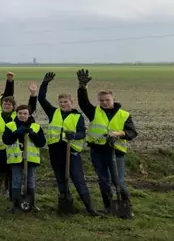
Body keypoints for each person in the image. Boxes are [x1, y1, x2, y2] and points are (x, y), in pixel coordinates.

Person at [76, 69, 138, 215]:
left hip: (116, 152)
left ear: (113, 99)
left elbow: (132, 132)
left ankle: (126, 206)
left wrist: (118, 133)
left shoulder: (124, 115)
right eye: (102, 100)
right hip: (98, 151)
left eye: (107, 100)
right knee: (103, 180)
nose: (104, 103)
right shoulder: (94, 112)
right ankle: (108, 206)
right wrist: (82, 87)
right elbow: (83, 102)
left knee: (118, 181)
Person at [39, 72, 101, 216]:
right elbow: (41, 99)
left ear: (71, 102)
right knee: (61, 179)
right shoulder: (53, 112)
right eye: (60, 102)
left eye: (65, 102)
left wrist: (73, 136)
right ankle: (65, 205)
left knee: (78, 179)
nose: (63, 104)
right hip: (55, 150)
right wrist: (45, 84)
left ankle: (90, 208)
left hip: (71, 151)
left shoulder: (77, 116)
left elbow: (82, 133)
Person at [0, 84, 37, 204]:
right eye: (5, 104)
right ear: (1, 105)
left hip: (14, 150)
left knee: (13, 174)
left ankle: (12, 197)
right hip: (0, 149)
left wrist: (33, 94)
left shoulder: (18, 116)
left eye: (9, 104)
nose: (7, 105)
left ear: (14, 107)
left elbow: (30, 108)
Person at [2, 104, 46, 212]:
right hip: (16, 159)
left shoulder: (36, 127)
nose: (22, 116)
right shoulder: (10, 126)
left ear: (29, 114)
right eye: (20, 113)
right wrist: (17, 133)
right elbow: (6, 140)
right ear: (16, 114)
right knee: (16, 181)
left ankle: (31, 204)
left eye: (25, 113)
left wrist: (33, 135)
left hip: (31, 159)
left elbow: (41, 143)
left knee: (30, 181)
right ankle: (15, 205)